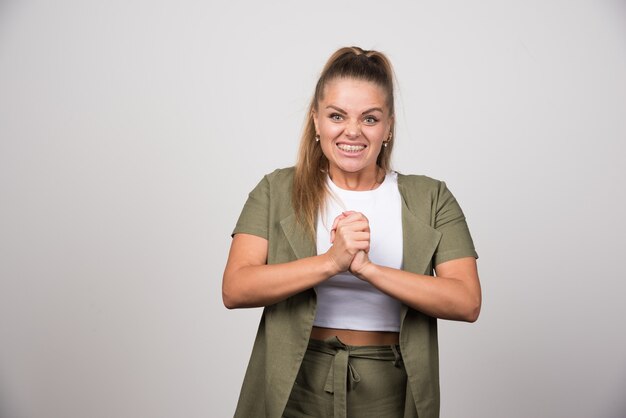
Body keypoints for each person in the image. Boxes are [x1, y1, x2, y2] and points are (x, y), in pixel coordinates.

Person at [222, 46, 481, 418]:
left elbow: (466, 300)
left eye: (370, 118)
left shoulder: (431, 197)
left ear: (389, 126)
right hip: (295, 379)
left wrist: (367, 269)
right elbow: (235, 288)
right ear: (316, 121)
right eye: (337, 116)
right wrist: (331, 262)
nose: (353, 131)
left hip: (390, 386)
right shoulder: (275, 189)